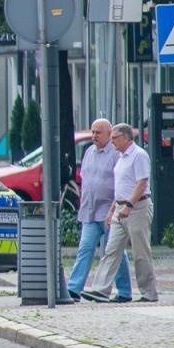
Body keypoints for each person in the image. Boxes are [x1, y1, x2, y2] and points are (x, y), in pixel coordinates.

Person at [79, 123, 157, 303]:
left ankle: (148, 292)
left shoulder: (138, 155)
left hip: (137, 207)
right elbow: (119, 187)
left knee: (140, 252)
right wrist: (113, 210)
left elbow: (142, 183)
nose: (112, 141)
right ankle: (100, 290)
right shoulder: (121, 157)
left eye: (114, 138)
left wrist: (129, 205)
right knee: (111, 250)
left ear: (126, 137)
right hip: (120, 209)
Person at [68, 119, 132, 302]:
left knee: (114, 251)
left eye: (98, 132)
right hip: (89, 209)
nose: (94, 135)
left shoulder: (116, 154)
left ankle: (125, 291)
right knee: (85, 248)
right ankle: (74, 288)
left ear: (109, 133)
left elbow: (121, 183)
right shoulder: (89, 151)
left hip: (108, 210)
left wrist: (116, 208)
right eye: (93, 132)